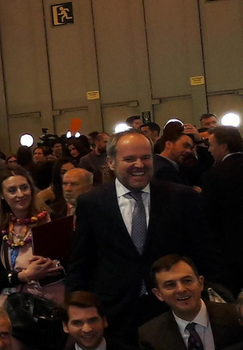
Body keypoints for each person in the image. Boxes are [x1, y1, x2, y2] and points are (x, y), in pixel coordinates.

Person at [67, 129, 216, 337]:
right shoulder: (92, 203)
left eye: (145, 157)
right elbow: (81, 261)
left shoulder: (181, 197)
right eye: (129, 159)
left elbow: (204, 252)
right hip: (115, 313)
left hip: (173, 309)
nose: (139, 165)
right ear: (111, 162)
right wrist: (74, 308)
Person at [0, 167, 65, 313]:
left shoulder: (52, 219)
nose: (20, 194)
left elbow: (73, 261)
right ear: (1, 195)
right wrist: (24, 276)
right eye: (12, 190)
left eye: (24, 188)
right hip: (15, 305)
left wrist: (56, 265)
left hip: (53, 300)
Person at [201, 124, 243, 292]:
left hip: (229, 246)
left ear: (224, 146)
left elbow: (209, 214)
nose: (209, 150)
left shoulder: (214, 175)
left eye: (211, 145)